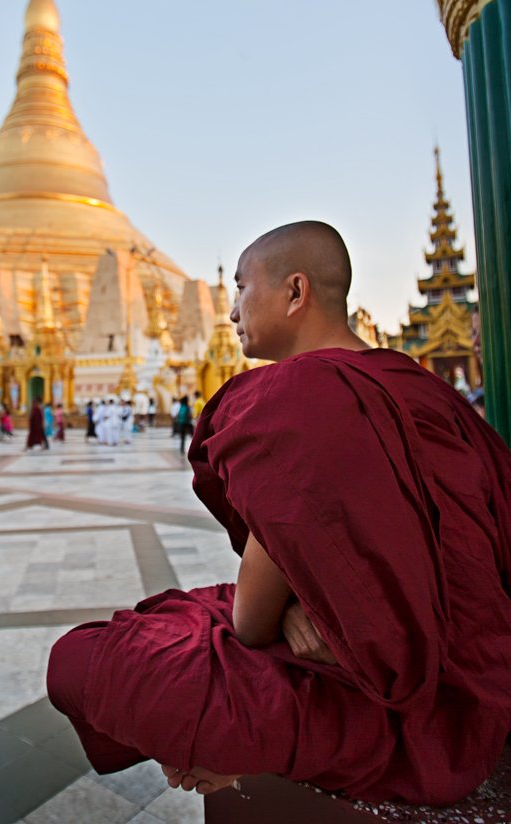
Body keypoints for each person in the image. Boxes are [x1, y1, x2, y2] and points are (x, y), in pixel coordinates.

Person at [47, 220, 511, 807]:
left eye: (241, 289)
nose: (233, 312)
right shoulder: (430, 391)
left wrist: (299, 608)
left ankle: (227, 748)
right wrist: (310, 601)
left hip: (403, 706)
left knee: (81, 659)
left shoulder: (299, 398)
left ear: (296, 293)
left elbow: (249, 624)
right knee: (175, 622)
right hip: (486, 669)